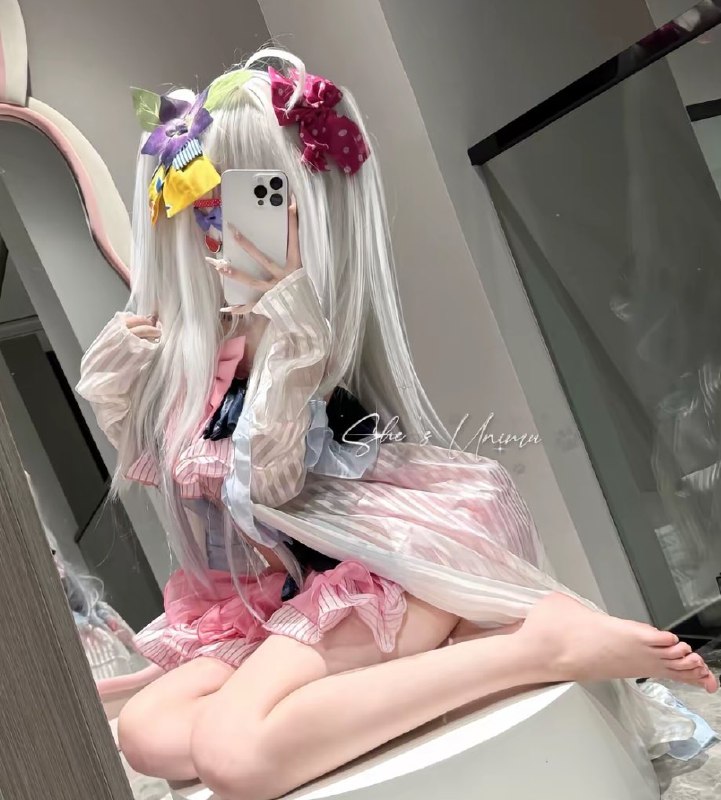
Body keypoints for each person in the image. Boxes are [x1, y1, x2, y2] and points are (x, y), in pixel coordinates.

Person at [77, 48, 717, 800]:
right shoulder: (203, 354)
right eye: (202, 210)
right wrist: (126, 374)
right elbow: (163, 468)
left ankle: (537, 647)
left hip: (389, 562)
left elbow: (266, 481)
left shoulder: (300, 344)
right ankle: (389, 687)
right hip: (287, 587)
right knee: (149, 735)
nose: (221, 230)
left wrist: (283, 315)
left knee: (233, 755)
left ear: (302, 207)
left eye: (252, 199)